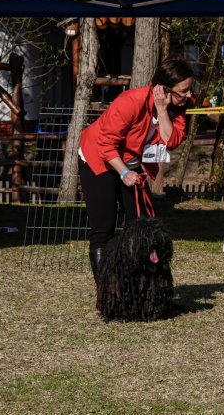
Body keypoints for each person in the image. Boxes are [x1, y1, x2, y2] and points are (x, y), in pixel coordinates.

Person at [79, 58, 193, 281]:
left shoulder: (177, 108)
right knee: (104, 229)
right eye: (184, 91)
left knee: (146, 227)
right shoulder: (131, 101)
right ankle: (107, 289)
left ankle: (146, 284)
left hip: (129, 160)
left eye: (190, 89)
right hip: (98, 158)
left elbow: (171, 141)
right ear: (164, 89)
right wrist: (123, 173)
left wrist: (162, 111)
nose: (189, 95)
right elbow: (105, 143)